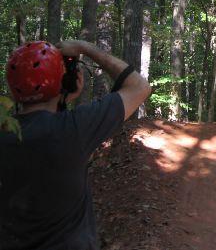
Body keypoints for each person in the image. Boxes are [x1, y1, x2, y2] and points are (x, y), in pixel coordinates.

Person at [0, 40, 151, 249]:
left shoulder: (5, 135)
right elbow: (139, 87)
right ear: (59, 81)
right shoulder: (75, 128)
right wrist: (85, 48)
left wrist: (60, 101)